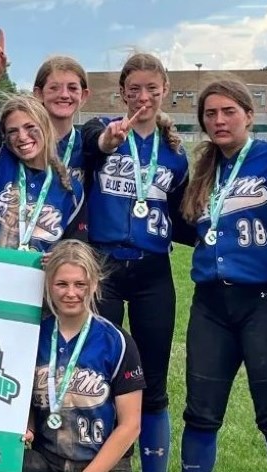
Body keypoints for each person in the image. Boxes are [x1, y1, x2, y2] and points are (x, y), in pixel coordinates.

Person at [177, 78, 267, 472]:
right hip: (211, 303)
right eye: (210, 114)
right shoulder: (204, 168)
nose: (219, 120)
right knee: (201, 411)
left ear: (249, 114)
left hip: (263, 301)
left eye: (229, 111)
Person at [79, 51, 188, 472]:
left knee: (153, 381)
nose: (143, 96)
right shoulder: (101, 132)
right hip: (103, 266)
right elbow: (92, 145)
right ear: (122, 93)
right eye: (134, 89)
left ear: (164, 93)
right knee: (98, 373)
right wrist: (108, 141)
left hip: (152, 272)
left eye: (152, 89)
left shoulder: (176, 154)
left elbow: (182, 215)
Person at [0, 0, 83, 252]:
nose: (22, 137)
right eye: (12, 132)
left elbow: (72, 246)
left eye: (30, 128)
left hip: (37, 286)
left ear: (46, 128)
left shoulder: (71, 187)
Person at [22, 239, 145, 472]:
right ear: (48, 284)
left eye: (80, 284)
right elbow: (21, 398)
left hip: (104, 463)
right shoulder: (34, 336)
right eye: (62, 284)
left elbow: (130, 425)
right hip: (48, 459)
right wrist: (29, 426)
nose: (71, 293)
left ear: (95, 283)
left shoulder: (116, 341)